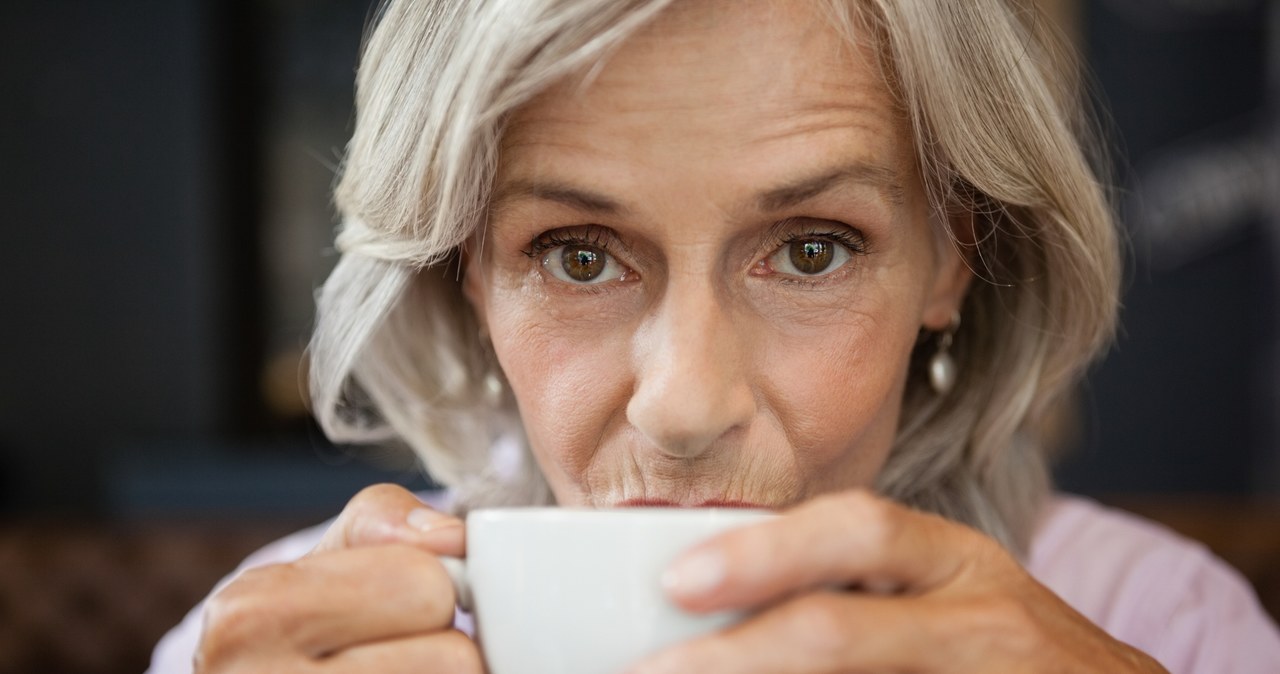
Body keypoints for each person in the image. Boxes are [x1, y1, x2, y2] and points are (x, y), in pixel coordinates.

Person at [150, 0, 1280, 672]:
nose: (685, 402)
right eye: (578, 255)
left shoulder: (1156, 625)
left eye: (811, 249)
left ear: (949, 258)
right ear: (466, 287)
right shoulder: (280, 638)